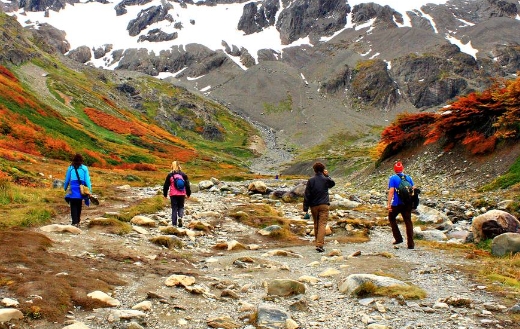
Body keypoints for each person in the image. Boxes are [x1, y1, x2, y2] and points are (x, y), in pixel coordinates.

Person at [303, 162, 335, 253]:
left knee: (316, 224)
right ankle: (320, 244)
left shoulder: (311, 180)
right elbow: (332, 183)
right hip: (324, 205)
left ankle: (317, 243)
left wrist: (305, 208)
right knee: (322, 224)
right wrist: (327, 175)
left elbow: (307, 195)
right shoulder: (326, 180)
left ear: (314, 170)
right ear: (322, 170)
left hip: (313, 206)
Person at [387, 161, 415, 249]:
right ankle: (410, 244)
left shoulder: (393, 178)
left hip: (397, 203)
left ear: (395, 170)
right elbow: (413, 189)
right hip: (407, 203)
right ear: (402, 169)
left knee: (391, 217)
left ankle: (398, 238)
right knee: (408, 221)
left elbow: (391, 191)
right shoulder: (408, 178)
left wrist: (389, 204)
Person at [64, 153, 92, 227]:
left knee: (73, 205)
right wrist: (90, 190)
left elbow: (67, 180)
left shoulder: (70, 168)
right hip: (80, 189)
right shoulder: (84, 168)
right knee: (79, 204)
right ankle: (78, 222)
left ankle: (74, 222)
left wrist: (65, 188)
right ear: (81, 160)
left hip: (73, 189)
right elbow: (87, 180)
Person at [163, 161, 191, 227]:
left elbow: (166, 185)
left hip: (173, 194)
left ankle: (174, 224)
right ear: (179, 166)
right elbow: (187, 185)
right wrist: (188, 193)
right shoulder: (183, 174)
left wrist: (165, 194)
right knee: (181, 206)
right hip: (182, 194)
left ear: (172, 166)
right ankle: (180, 217)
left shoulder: (170, 175)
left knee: (174, 208)